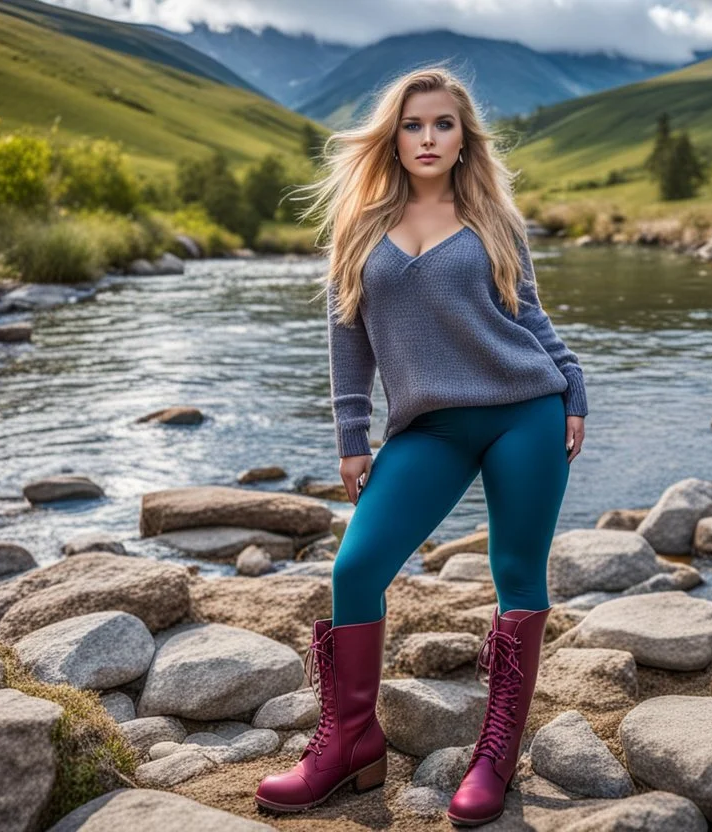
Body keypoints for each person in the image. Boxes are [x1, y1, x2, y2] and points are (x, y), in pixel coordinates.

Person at [252, 65, 588, 828]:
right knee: (357, 566)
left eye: (442, 124)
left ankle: (494, 755)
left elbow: (527, 314)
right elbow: (346, 339)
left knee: (515, 573)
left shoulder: (494, 217)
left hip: (523, 409)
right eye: (412, 124)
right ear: (392, 136)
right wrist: (351, 436)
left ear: (463, 137)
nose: (427, 137)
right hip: (426, 427)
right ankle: (349, 742)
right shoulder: (361, 224)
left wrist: (571, 381)